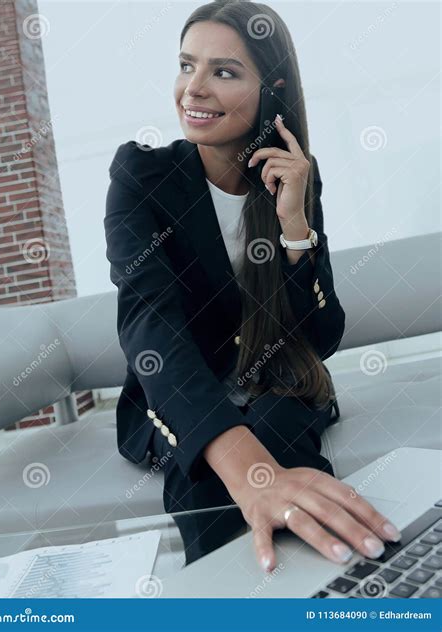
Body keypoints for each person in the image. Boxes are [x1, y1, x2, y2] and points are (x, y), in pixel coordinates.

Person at [104, 0, 401, 572]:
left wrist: (295, 226)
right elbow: (150, 327)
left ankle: (352, 580)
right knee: (210, 464)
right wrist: (244, 467)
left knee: (281, 424)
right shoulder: (141, 177)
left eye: (224, 71)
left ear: (273, 88)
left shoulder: (292, 176)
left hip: (276, 376)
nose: (194, 88)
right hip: (180, 389)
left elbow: (323, 333)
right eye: (186, 65)